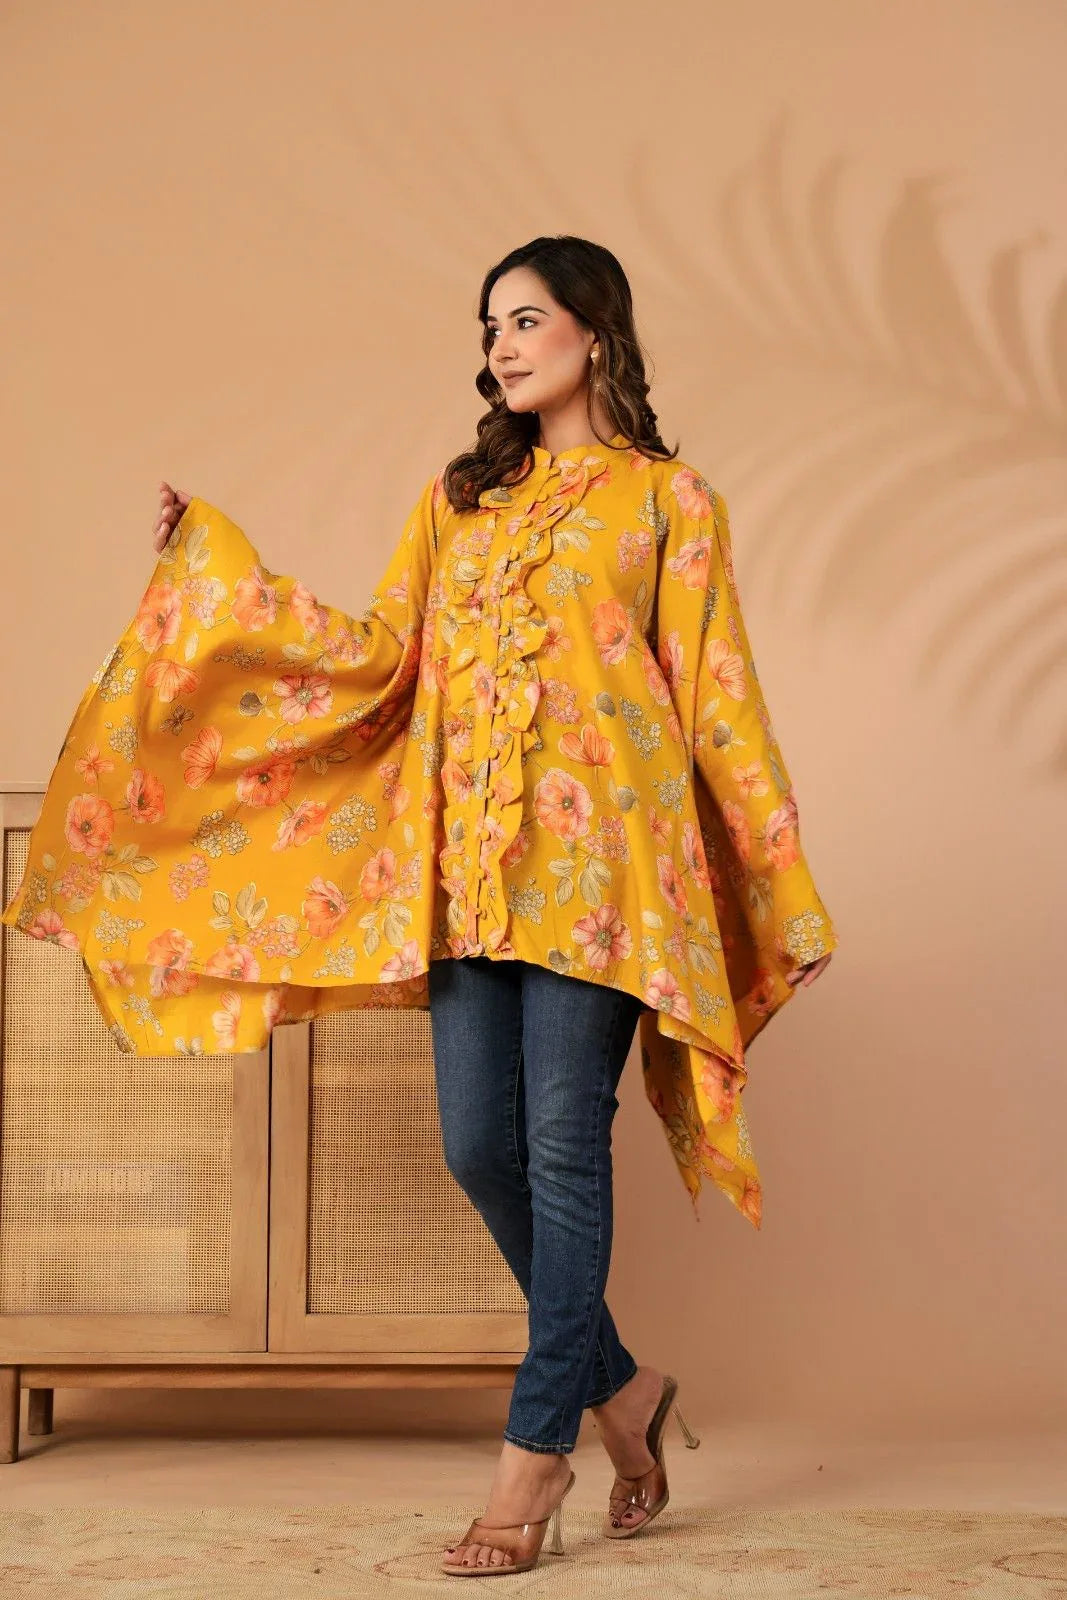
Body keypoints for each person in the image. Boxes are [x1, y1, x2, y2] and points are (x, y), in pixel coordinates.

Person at [143, 236, 836, 1575]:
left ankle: (536, 1460)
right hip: (470, 867)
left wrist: (768, 871)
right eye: (489, 326)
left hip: (604, 878)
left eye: (528, 320)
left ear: (595, 333)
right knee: (479, 1146)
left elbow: (718, 693)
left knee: (566, 1149)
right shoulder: (457, 500)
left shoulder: (667, 503)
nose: (503, 345)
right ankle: (627, 1393)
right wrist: (219, 572)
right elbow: (373, 654)